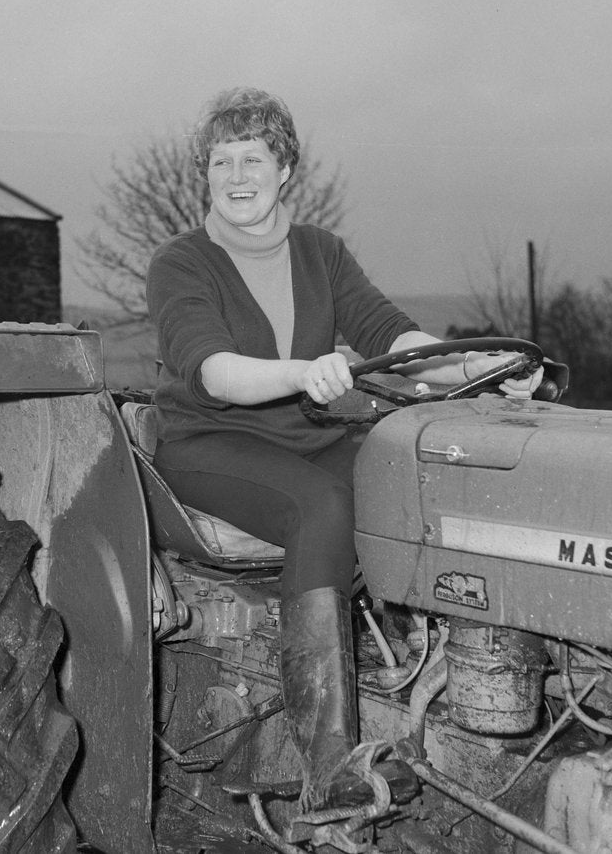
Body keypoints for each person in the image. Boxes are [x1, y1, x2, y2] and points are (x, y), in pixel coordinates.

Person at [146, 87, 542, 812]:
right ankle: (325, 765)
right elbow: (213, 371)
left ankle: (427, 670)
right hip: (209, 440)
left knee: (414, 475)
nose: (237, 176)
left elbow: (392, 336)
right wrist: (303, 372)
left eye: (253, 159)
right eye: (221, 162)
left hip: (306, 433)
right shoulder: (182, 262)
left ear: (284, 169)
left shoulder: (321, 252)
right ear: (205, 175)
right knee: (322, 505)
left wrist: (477, 367)